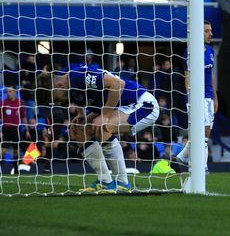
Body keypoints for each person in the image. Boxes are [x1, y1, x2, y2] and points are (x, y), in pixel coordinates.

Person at [37, 63, 160, 193]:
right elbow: (77, 95)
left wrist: (105, 116)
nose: (59, 102)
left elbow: (118, 84)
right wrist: (80, 113)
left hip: (142, 104)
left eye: (57, 99)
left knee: (102, 126)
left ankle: (122, 182)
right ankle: (105, 181)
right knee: (78, 129)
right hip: (118, 106)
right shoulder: (67, 79)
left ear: (59, 85)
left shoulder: (78, 76)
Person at [174, 21, 218, 173]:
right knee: (204, 131)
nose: (210, 34)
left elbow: (211, 75)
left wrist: (215, 97)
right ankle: (202, 166)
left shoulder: (211, 51)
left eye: (210, 30)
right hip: (196, 97)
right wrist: (192, 99)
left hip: (209, 97)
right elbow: (187, 77)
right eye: (206, 31)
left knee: (205, 133)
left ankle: (181, 157)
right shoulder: (190, 52)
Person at [1, 86, 28, 174]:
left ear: (14, 92)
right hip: (6, 129)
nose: (8, 93)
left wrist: (27, 129)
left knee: (16, 151)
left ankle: (16, 170)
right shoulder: (3, 103)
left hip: (16, 129)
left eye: (10, 91)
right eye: (7, 92)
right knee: (3, 151)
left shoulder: (20, 102)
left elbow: (23, 116)